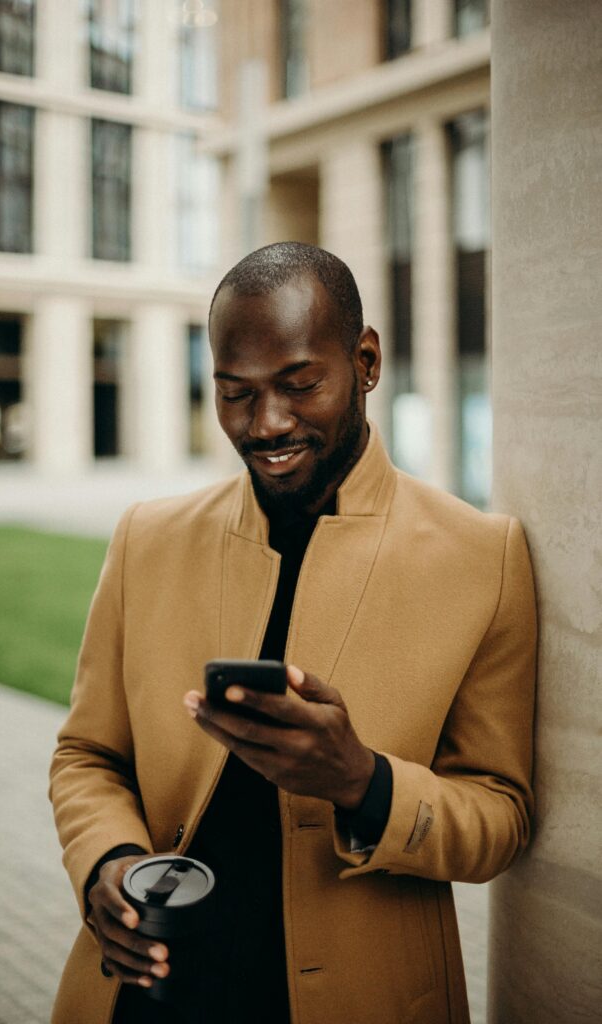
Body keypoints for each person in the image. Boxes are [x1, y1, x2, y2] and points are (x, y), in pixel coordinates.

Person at [49, 242, 536, 1024]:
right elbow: (87, 754)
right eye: (234, 393)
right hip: (145, 999)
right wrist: (107, 861)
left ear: (367, 362)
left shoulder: (486, 560)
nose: (266, 423)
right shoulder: (148, 538)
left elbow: (502, 816)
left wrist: (362, 782)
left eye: (299, 384)